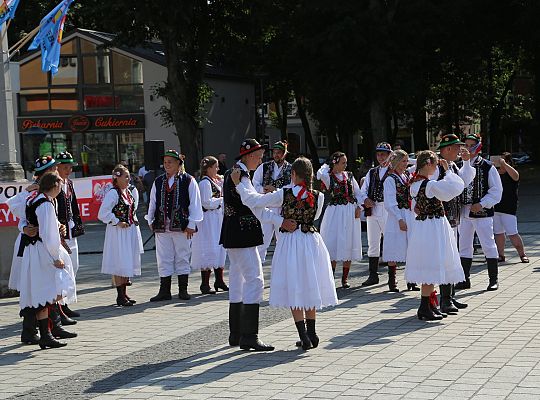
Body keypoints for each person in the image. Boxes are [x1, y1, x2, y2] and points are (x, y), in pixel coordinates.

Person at [231, 157, 338, 350]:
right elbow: (314, 216)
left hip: (290, 241)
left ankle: (303, 335)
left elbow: (254, 201)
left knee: (294, 284)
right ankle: (312, 333)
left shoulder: (284, 193)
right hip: (312, 241)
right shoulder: (319, 196)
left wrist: (239, 185)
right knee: (309, 283)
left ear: (293, 174)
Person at [220, 138, 296, 351]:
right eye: (259, 157)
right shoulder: (242, 176)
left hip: (233, 233)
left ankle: (236, 334)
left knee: (237, 281)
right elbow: (253, 202)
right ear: (250, 156)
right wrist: (281, 205)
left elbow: (254, 206)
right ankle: (249, 336)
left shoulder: (234, 173)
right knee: (255, 280)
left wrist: (278, 221)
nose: (261, 161)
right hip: (243, 234)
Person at [18, 171, 77, 348]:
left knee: (45, 293)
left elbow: (29, 220)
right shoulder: (44, 203)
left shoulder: (36, 199)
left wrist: (57, 226)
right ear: (55, 185)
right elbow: (47, 234)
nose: (61, 187)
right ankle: (46, 334)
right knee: (47, 292)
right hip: (42, 251)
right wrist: (56, 257)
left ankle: (47, 333)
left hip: (35, 250)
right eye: (60, 184)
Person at [405, 151, 465, 321]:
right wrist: (447, 172)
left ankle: (430, 304)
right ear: (428, 163)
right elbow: (453, 189)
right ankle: (424, 307)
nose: (437, 167)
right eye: (435, 164)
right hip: (433, 226)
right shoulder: (429, 185)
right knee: (432, 263)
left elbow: (416, 206)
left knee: (430, 262)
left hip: (424, 226)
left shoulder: (415, 183)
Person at [7, 156, 58, 344]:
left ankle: (52, 327)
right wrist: (24, 228)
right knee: (34, 288)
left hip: (45, 243)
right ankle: (32, 330)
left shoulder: (55, 188)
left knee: (46, 287)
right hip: (34, 246)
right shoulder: (32, 193)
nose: (57, 171)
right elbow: (17, 209)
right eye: (52, 169)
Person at [146, 150, 203, 301]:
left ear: (179, 163)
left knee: (182, 256)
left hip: (182, 226)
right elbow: (153, 201)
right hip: (161, 225)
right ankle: (164, 291)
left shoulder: (188, 180)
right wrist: (150, 219)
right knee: (163, 257)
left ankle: (183, 290)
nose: (167, 165)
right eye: (165, 162)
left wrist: (192, 223)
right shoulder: (158, 181)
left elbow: (195, 204)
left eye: (170, 162)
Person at [431, 134, 476, 313]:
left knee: (452, 256)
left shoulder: (452, 165)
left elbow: (464, 182)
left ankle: (449, 297)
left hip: (453, 217)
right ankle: (444, 299)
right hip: (441, 218)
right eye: (457, 147)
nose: (460, 150)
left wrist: (466, 162)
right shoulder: (436, 167)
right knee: (445, 257)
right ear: (448, 149)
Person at [456, 133, 503, 291]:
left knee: (488, 244)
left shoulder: (487, 166)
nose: (467, 149)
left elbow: (497, 191)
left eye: (471, 146)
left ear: (477, 147)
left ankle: (493, 279)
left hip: (482, 213)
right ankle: (464, 279)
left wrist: (482, 204)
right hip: (464, 212)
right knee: (464, 245)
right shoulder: (459, 165)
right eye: (466, 146)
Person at [98, 165, 144, 306]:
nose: (128, 179)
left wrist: (132, 219)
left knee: (127, 261)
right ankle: (120, 296)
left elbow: (133, 210)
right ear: (116, 178)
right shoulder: (113, 193)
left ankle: (124, 293)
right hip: (118, 233)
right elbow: (102, 213)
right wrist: (117, 221)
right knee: (120, 262)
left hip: (129, 231)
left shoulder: (129, 192)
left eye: (128, 176)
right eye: (125, 176)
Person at [317, 152, 362, 288]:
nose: (345, 165)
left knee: (348, 241)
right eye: (343, 162)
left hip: (349, 211)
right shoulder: (328, 176)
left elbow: (358, 192)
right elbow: (319, 173)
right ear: (335, 163)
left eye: (346, 162)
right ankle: (331, 278)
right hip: (335, 212)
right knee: (333, 242)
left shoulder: (349, 175)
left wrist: (359, 206)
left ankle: (344, 279)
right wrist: (327, 163)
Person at [191, 156, 229, 294]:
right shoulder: (204, 183)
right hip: (208, 219)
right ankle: (205, 284)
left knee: (219, 247)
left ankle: (219, 280)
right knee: (208, 248)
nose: (218, 169)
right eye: (216, 167)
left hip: (217, 218)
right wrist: (221, 200)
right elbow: (206, 203)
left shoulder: (215, 181)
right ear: (209, 169)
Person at [55, 151, 85, 319]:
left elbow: (73, 205)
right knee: (63, 269)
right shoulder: (54, 183)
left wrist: (77, 225)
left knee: (74, 266)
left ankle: (64, 302)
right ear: (57, 167)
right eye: (65, 167)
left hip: (71, 230)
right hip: (60, 232)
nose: (68, 170)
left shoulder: (69, 183)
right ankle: (60, 306)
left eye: (70, 167)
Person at [359, 142, 393, 286]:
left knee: (390, 242)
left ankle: (392, 278)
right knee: (373, 242)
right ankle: (373, 275)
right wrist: (365, 199)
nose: (380, 157)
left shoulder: (394, 170)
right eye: (378, 154)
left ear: (389, 155)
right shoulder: (372, 172)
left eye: (383, 154)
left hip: (387, 208)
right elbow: (363, 189)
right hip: (373, 209)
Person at [252, 140, 292, 263]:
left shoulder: (291, 169)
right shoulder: (264, 167)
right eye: (274, 152)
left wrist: (277, 190)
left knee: (283, 241)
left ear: (284, 153)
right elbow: (254, 183)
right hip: (266, 207)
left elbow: (292, 187)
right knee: (262, 242)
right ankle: (257, 268)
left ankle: (283, 268)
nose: (276, 155)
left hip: (282, 208)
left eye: (279, 152)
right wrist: (262, 189)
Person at [382, 150, 413, 292]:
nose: (405, 164)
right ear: (395, 162)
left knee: (410, 246)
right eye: (402, 161)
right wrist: (399, 218)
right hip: (397, 215)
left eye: (406, 161)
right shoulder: (390, 179)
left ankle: (411, 279)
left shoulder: (407, 176)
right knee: (394, 246)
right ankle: (392, 280)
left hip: (409, 213)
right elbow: (389, 202)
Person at [493, 152, 528, 263]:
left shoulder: (510, 173)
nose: (500, 163)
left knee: (512, 232)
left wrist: (504, 164)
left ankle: (522, 255)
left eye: (502, 161)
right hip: (495, 208)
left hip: (509, 208)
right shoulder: (495, 174)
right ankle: (501, 255)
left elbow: (516, 176)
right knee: (498, 233)